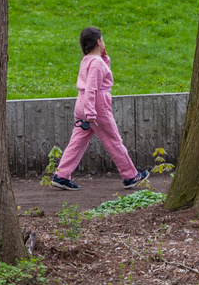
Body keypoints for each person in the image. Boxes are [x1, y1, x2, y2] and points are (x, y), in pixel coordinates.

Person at [48, 26, 148, 191]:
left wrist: (104, 58)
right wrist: (91, 112)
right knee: (113, 140)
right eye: (102, 39)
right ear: (98, 41)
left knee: (78, 141)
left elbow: (92, 82)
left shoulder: (88, 60)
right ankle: (130, 175)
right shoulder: (96, 63)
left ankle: (62, 175)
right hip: (96, 105)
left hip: (82, 103)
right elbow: (93, 88)